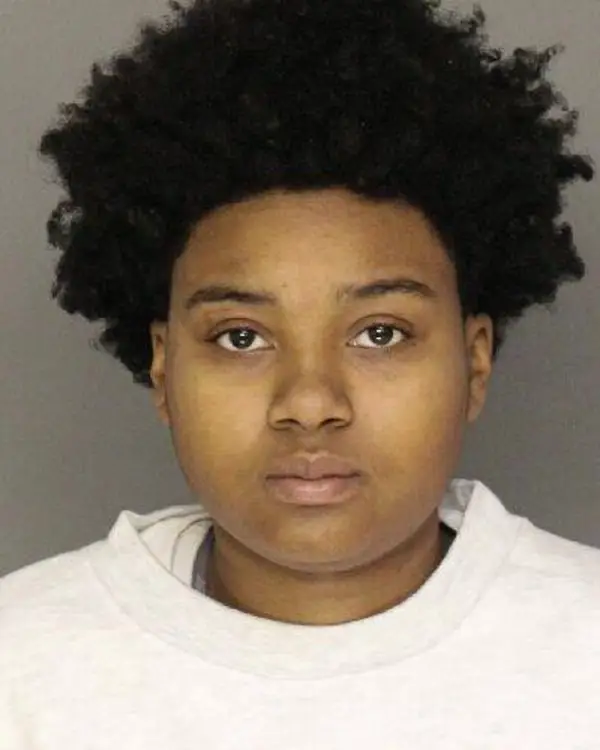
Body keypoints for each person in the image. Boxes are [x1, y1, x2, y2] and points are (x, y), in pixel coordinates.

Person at [1, 0, 598, 746]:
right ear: (163, 366)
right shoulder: (20, 666)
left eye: (380, 333)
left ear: (474, 362)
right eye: (241, 337)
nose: (310, 403)